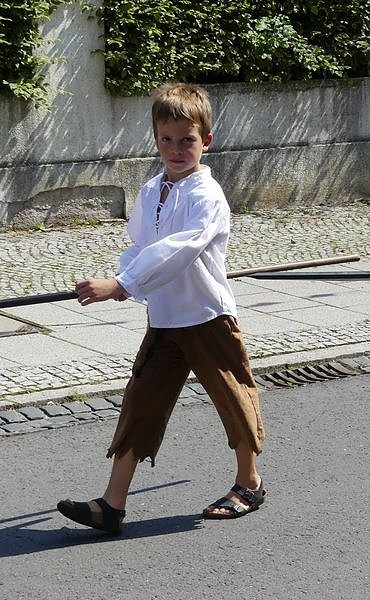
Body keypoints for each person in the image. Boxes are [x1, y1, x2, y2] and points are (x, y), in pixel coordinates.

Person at [57, 83, 266, 534]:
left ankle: (249, 483)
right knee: (142, 404)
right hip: (166, 320)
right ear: (155, 140)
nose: (176, 149)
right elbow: (142, 245)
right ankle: (111, 505)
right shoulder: (152, 189)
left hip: (208, 317)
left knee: (234, 398)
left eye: (187, 140)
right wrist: (121, 278)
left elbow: (180, 250)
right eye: (166, 140)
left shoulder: (206, 196)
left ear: (205, 142)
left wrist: (124, 284)